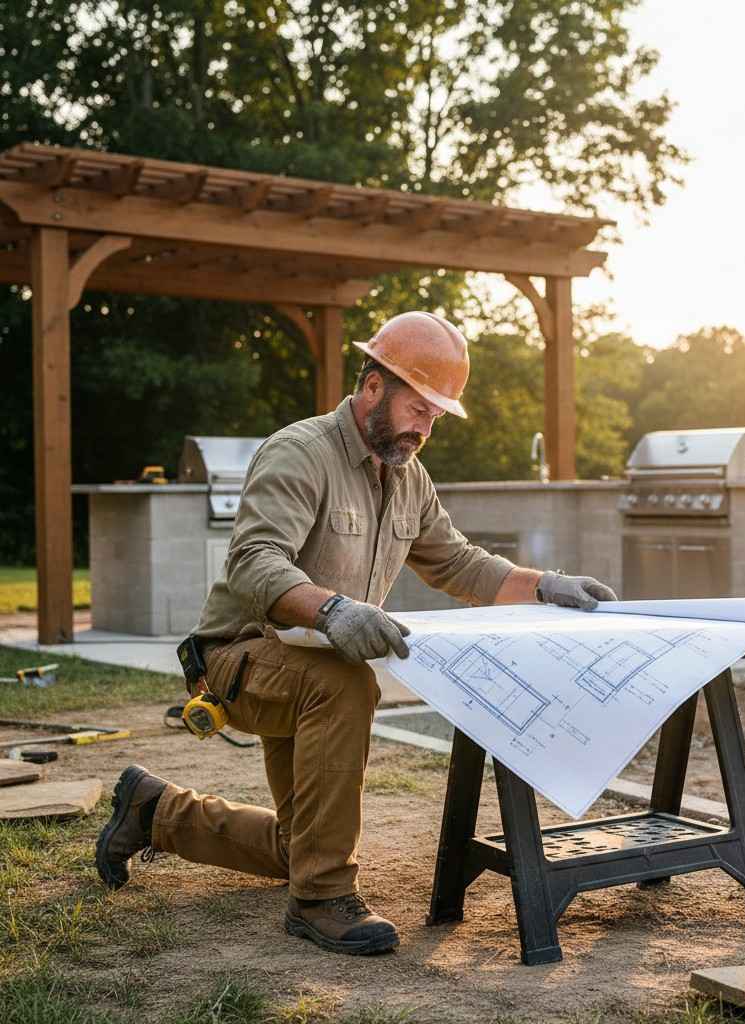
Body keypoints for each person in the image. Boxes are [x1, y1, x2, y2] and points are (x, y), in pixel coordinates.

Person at [94, 311, 617, 956]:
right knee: (345, 683)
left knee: (300, 847)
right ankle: (321, 901)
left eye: (435, 415)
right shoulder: (301, 452)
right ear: (373, 385)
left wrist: (546, 585)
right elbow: (256, 562)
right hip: (239, 658)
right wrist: (335, 611)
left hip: (308, 662)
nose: (425, 427)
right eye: (418, 408)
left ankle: (152, 810)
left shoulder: (408, 478)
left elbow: (458, 563)